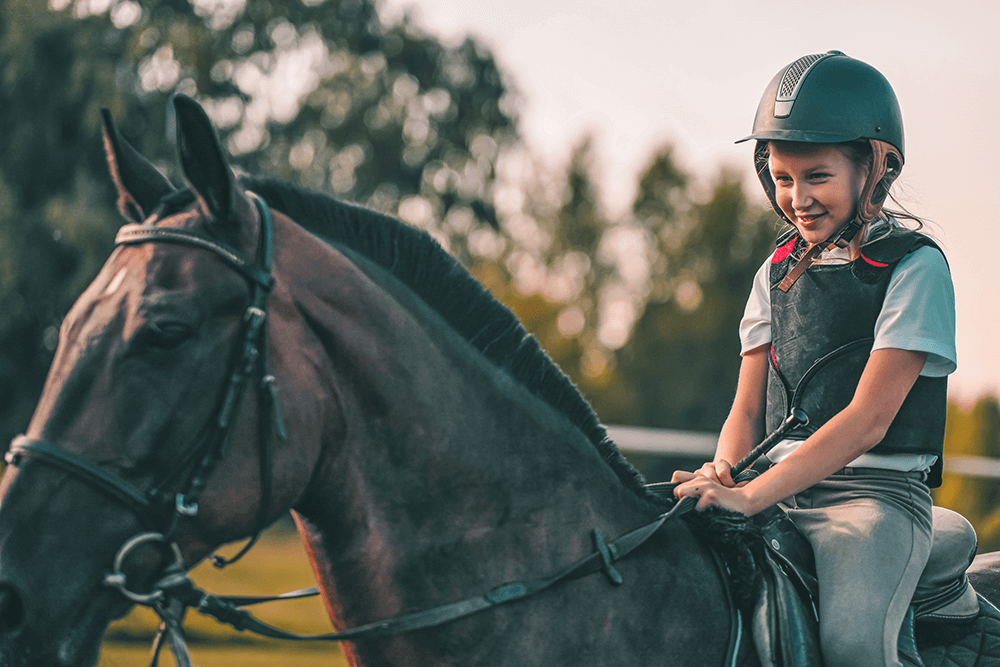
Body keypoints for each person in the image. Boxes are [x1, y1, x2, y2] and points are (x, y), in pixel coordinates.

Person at [672, 51, 959, 667]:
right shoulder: (773, 273)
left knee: (855, 648)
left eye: (817, 176)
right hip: (773, 486)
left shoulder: (914, 268)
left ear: (875, 168)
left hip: (872, 500)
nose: (796, 198)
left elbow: (867, 420)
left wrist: (751, 499)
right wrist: (725, 474)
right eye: (781, 178)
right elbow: (747, 407)